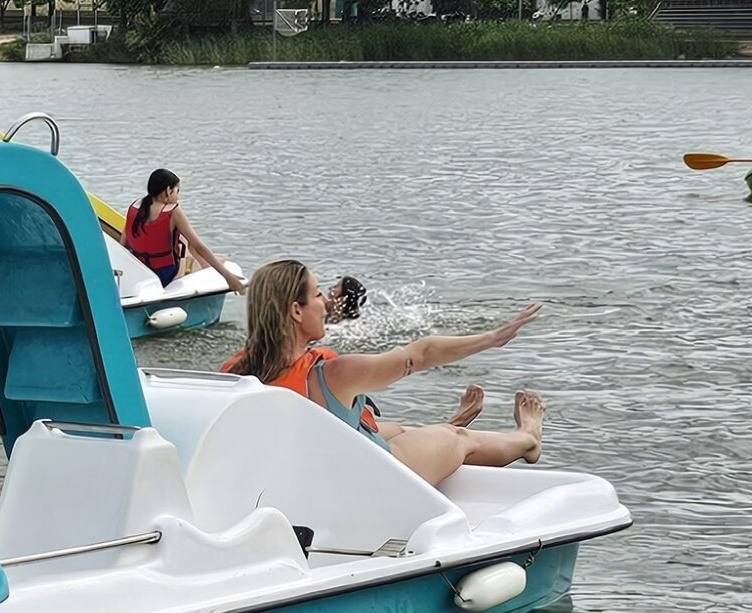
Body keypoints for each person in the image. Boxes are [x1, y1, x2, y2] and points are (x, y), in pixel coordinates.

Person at [221, 260, 546, 487]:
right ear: (296, 310)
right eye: (318, 294)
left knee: (399, 428)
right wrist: (493, 338)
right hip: (374, 482)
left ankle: (443, 427)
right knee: (457, 439)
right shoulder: (334, 374)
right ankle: (528, 439)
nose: (326, 303)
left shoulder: (235, 371)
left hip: (311, 479)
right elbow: (420, 354)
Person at [121, 169, 247, 292]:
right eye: (177, 191)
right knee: (187, 241)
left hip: (140, 271)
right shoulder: (172, 212)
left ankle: (206, 264)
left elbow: (123, 242)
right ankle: (206, 266)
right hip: (165, 275)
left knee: (180, 237)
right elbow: (199, 247)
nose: (178, 197)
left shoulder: (135, 206)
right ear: (168, 190)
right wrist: (228, 277)